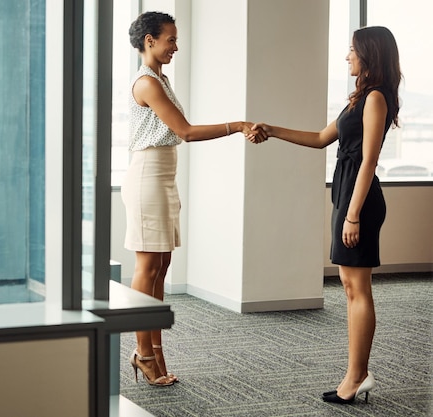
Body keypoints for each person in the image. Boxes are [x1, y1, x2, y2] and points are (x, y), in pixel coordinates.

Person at [250, 26, 402, 403]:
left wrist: (352, 215)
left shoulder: (376, 99)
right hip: (347, 194)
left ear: (369, 55)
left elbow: (370, 160)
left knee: (358, 288)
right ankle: (356, 374)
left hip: (359, 200)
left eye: (352, 51)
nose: (347, 56)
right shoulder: (360, 98)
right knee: (350, 287)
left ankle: (356, 377)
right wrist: (272, 130)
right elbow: (320, 138)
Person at [123, 11, 265, 387]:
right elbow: (184, 131)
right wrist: (236, 125)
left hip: (163, 175)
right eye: (170, 39)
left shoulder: (160, 79)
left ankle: (153, 348)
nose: (176, 46)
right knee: (147, 267)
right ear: (149, 40)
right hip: (148, 176)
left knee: (162, 266)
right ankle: (143, 353)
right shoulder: (146, 82)